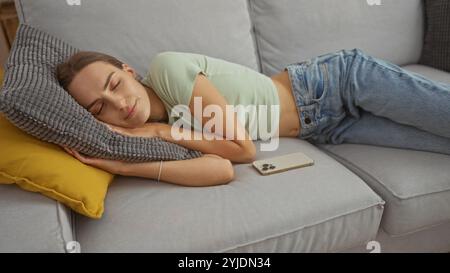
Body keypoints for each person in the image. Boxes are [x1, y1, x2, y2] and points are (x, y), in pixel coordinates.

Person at [56, 49, 450, 186]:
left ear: (127, 70)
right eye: (98, 108)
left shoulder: (167, 70)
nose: (117, 103)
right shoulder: (160, 133)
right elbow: (220, 170)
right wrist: (121, 166)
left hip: (338, 83)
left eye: (113, 83)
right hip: (330, 128)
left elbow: (240, 149)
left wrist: (160, 130)